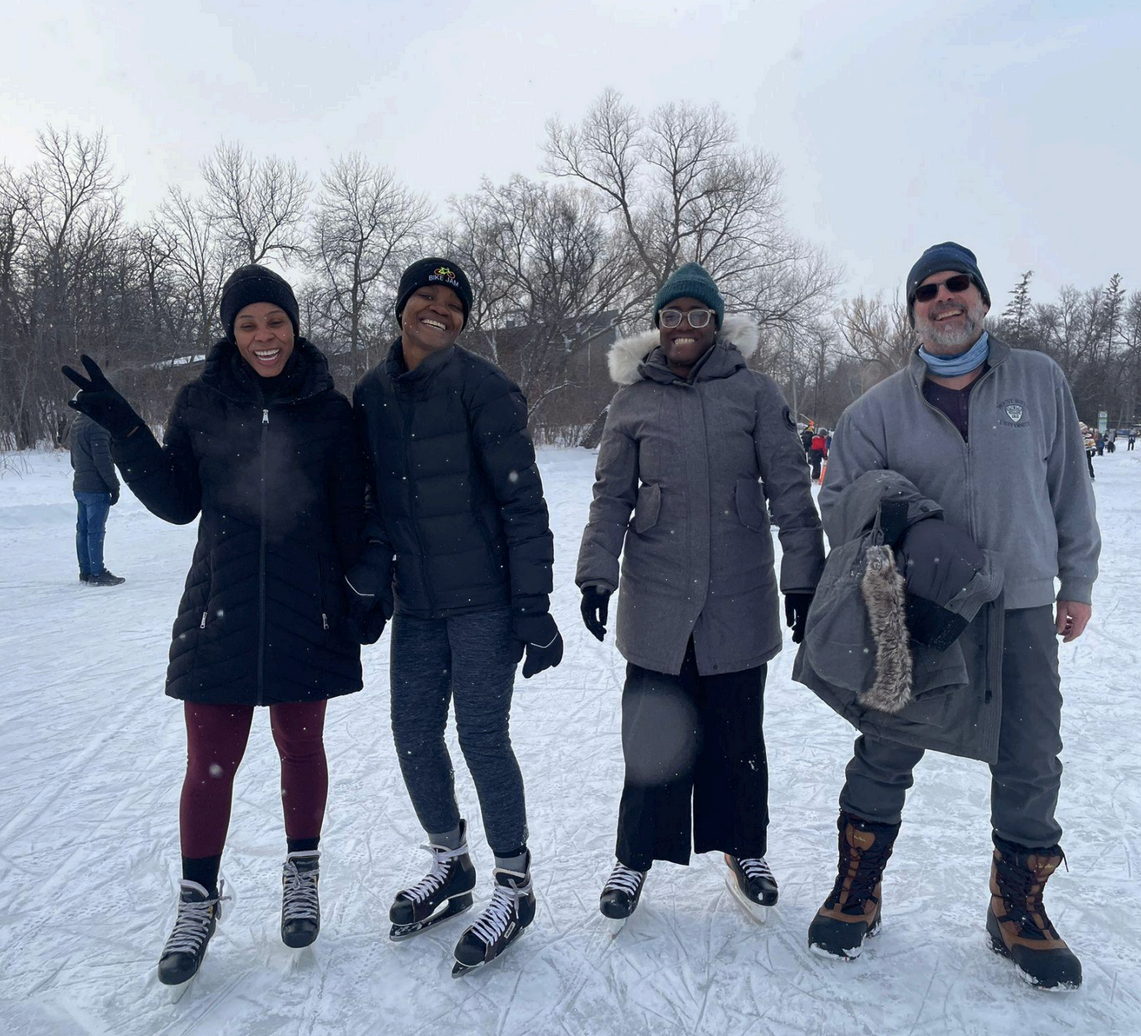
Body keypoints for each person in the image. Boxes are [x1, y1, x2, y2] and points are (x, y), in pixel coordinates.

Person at [795, 242, 1100, 990]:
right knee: (886, 746)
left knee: (1031, 757)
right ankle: (857, 891)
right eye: (926, 292)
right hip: (915, 612)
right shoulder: (874, 412)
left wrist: (1077, 581)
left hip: (1023, 604)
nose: (943, 299)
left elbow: (1068, 489)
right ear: (913, 313)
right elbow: (840, 505)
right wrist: (909, 516)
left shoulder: (1039, 380)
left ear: (981, 297)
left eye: (956, 285)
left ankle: (1016, 910)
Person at [62, 264, 376, 985]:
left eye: (274, 321)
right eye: (248, 324)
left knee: (302, 748)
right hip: (220, 610)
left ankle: (302, 874)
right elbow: (177, 502)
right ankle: (198, 900)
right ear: (231, 333)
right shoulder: (201, 403)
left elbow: (350, 512)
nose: (263, 336)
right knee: (210, 765)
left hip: (308, 609)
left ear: (294, 325)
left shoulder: (330, 411)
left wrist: (365, 588)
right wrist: (125, 427)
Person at [576, 262, 825, 922]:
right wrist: (596, 572)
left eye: (696, 315)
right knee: (651, 737)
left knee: (737, 737)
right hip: (656, 598)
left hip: (737, 598)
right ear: (657, 326)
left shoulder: (754, 394)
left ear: (715, 323)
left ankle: (745, 849)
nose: (683, 327)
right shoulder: (632, 400)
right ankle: (633, 858)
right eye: (671, 316)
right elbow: (611, 497)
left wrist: (803, 575)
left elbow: (792, 493)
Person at [352, 257, 562, 977]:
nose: (436, 310)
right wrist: (370, 589)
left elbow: (522, 504)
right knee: (412, 733)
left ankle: (513, 885)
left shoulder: (486, 389)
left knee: (479, 735)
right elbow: (374, 504)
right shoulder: (373, 395)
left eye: (451, 302)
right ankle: (451, 861)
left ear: (464, 319)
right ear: (403, 308)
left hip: (485, 602)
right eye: (425, 298)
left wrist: (532, 607)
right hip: (417, 605)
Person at [69, 410, 124, 586]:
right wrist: (114, 486)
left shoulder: (77, 423)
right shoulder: (97, 426)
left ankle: (85, 571)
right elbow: (103, 461)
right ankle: (97, 572)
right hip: (96, 487)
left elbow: (73, 460)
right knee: (96, 530)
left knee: (83, 530)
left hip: (80, 486)